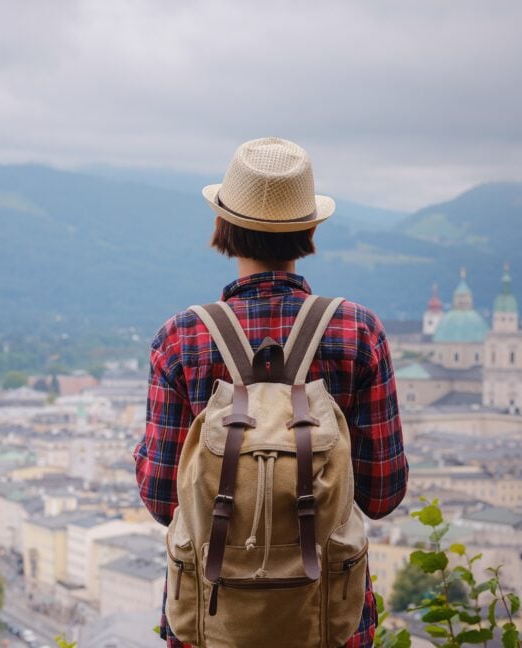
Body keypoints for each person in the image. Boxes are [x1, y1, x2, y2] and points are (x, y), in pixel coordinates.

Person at [134, 137, 408, 647]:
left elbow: (160, 500)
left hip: (212, 622)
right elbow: (382, 493)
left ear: (224, 228)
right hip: (328, 617)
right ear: (308, 229)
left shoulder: (180, 339)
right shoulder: (356, 332)